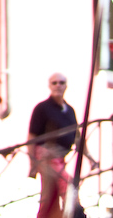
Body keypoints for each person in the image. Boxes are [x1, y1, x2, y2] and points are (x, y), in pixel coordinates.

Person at [27, 73, 96, 201]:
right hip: (46, 157)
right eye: (54, 83)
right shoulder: (42, 108)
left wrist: (90, 158)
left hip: (60, 157)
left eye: (61, 83)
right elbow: (32, 136)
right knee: (68, 186)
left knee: (50, 196)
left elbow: (77, 137)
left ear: (66, 86)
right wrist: (33, 164)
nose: (58, 86)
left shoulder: (69, 110)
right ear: (49, 86)